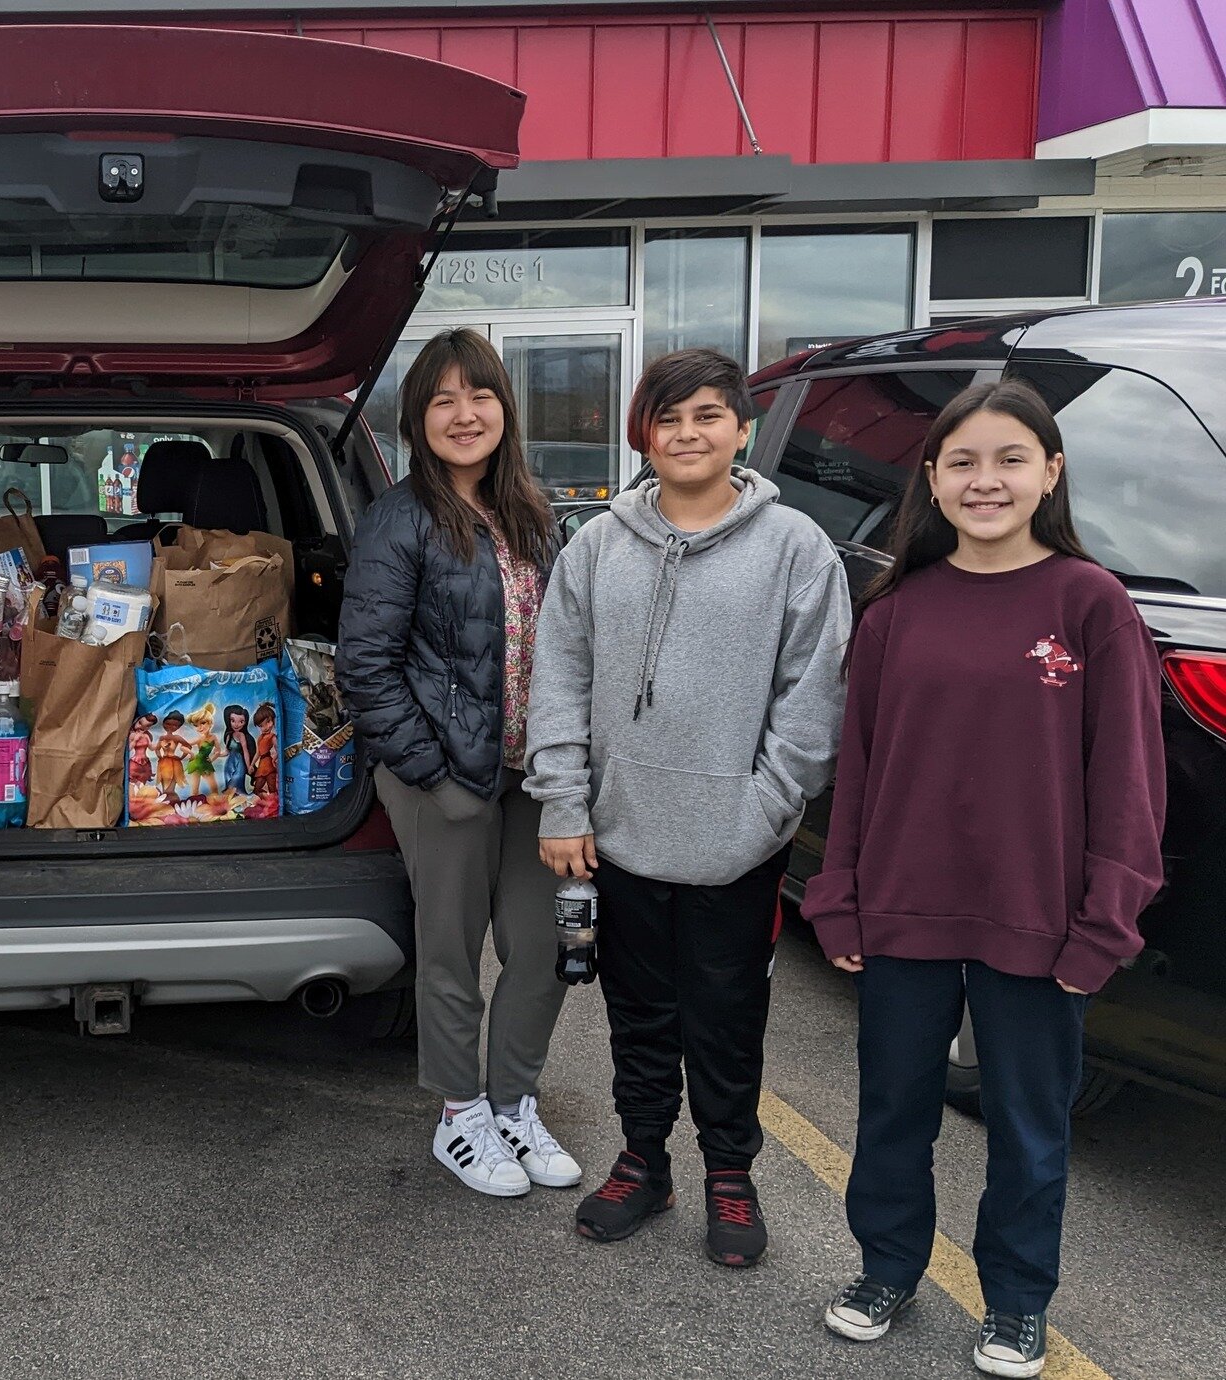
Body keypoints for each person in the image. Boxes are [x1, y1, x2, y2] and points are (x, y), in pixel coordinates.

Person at [807, 381, 1164, 1378]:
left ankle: (1013, 1302)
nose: (984, 480)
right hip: (900, 912)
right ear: (930, 478)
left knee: (1026, 1128)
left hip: (1037, 922)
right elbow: (859, 770)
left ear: (1049, 472)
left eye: (1009, 458)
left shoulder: (1088, 605)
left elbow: (1126, 781)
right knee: (890, 1112)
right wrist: (836, 893)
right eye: (960, 461)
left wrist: (1103, 923)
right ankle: (884, 1268)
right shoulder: (895, 610)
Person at [524, 347, 848, 1265]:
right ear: (645, 435)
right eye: (668, 418)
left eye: (708, 415)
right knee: (638, 1014)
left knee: (727, 1014)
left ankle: (729, 1176)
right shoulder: (595, 545)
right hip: (619, 836)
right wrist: (562, 802)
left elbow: (812, 705)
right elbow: (560, 677)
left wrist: (759, 817)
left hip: (735, 848)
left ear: (741, 428)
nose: (687, 433)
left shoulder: (797, 551)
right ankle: (643, 1161)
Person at [338, 327, 581, 1198]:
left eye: (479, 396)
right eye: (442, 399)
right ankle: (460, 1116)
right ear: (416, 418)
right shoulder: (397, 520)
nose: (464, 414)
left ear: (504, 411)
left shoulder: (534, 512)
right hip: (441, 776)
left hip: (530, 771)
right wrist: (433, 776)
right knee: (451, 951)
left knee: (548, 943)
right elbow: (363, 665)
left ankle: (514, 1101)